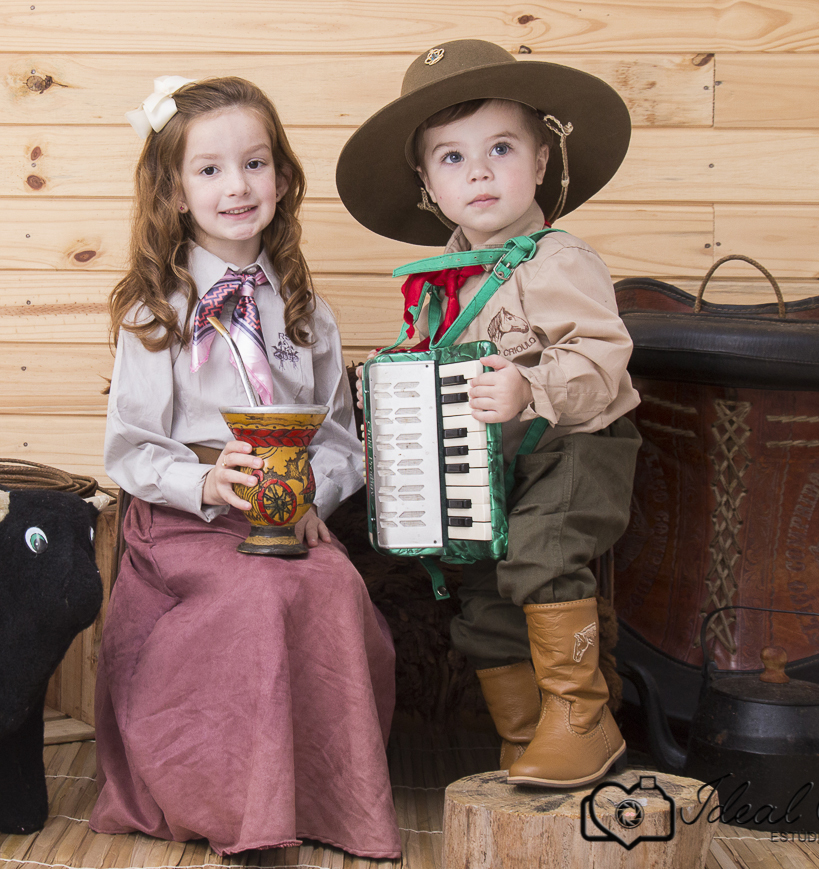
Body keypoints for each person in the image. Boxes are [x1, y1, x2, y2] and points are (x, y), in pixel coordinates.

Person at [90, 75, 400, 859]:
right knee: (254, 596)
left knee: (332, 585)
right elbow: (129, 445)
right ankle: (235, 803)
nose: (237, 186)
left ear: (284, 178)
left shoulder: (306, 310)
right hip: (183, 525)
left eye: (255, 163)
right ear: (173, 189)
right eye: (209, 169)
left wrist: (312, 494)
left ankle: (330, 802)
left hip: (287, 516)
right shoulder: (153, 308)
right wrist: (203, 483)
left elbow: (337, 438)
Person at [336, 40, 642, 789]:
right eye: (450, 157)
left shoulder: (557, 260)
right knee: (477, 583)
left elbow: (603, 358)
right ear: (426, 185)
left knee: (540, 554)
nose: (477, 171)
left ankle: (582, 719)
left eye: (500, 148)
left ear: (540, 161)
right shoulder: (439, 283)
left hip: (575, 448)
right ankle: (526, 736)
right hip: (486, 464)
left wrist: (530, 390)